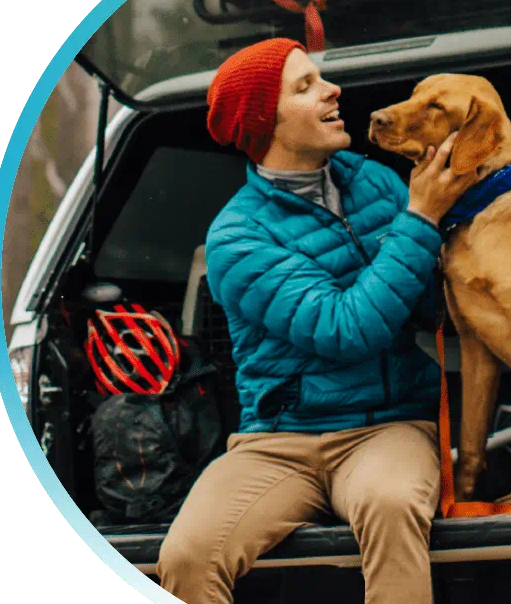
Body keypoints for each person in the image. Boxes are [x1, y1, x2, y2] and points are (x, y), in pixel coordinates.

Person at [157, 38, 477, 604]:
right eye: (304, 86)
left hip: (389, 426)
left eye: (319, 77)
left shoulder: (377, 181)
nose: (332, 90)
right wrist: (422, 217)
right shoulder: (237, 237)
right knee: (187, 556)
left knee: (392, 503)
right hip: (280, 443)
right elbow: (342, 329)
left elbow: (428, 302)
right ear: (267, 124)